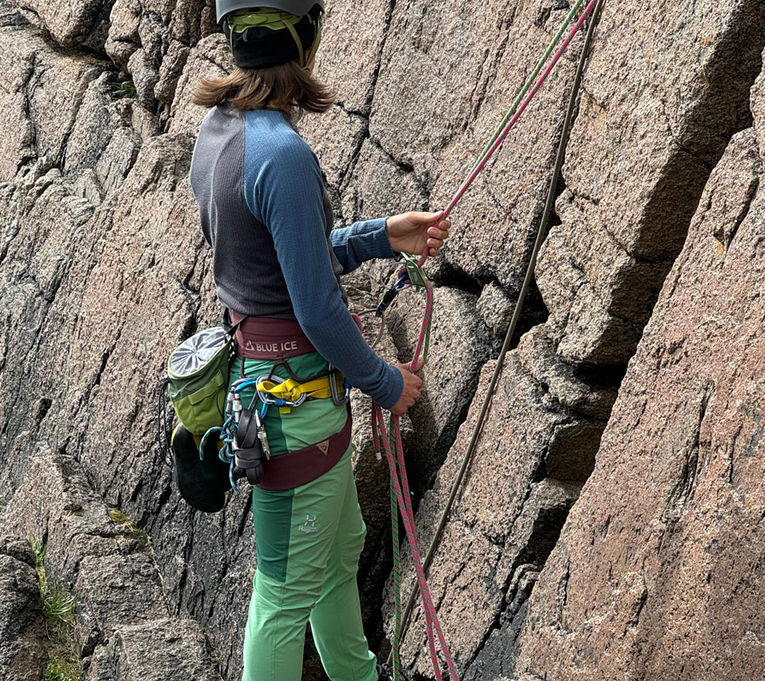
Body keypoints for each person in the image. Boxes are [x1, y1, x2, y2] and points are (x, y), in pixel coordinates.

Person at [188, 1, 451, 680]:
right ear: (306, 37)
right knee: (280, 596)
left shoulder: (219, 133)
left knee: (337, 560)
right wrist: (388, 384)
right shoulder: (282, 154)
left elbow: (279, 263)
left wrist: (380, 234)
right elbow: (316, 311)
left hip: (276, 394)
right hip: (297, 408)